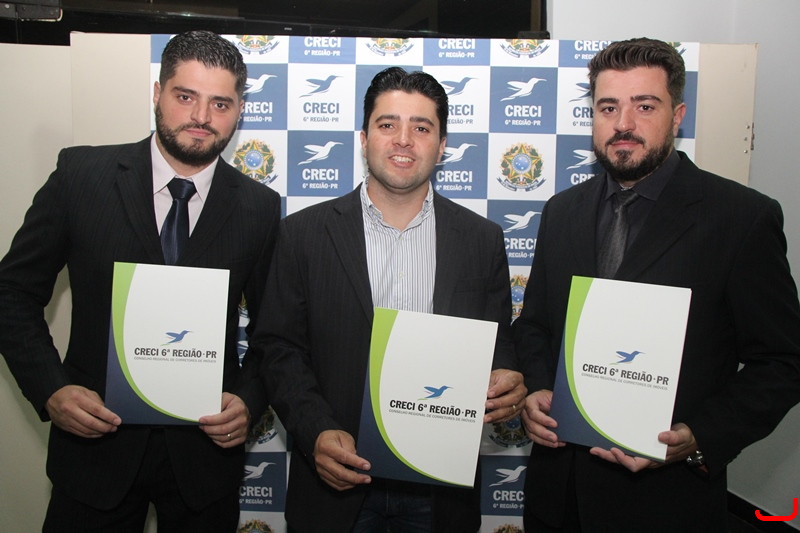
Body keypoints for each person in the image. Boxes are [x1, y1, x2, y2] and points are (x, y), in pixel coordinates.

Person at [514, 37, 800, 532]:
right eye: (608, 107)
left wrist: (700, 436)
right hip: (557, 497)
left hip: (667, 505)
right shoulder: (562, 211)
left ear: (677, 116)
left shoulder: (741, 218)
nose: (623, 123)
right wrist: (536, 389)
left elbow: (783, 361)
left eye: (644, 106)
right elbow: (536, 325)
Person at [0, 30, 280, 532]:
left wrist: (248, 399)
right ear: (157, 93)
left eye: (220, 103)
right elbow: (11, 292)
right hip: (93, 451)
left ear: (239, 110)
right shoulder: (80, 176)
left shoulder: (259, 208)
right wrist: (51, 389)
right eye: (185, 96)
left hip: (204, 461)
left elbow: (273, 331)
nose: (201, 116)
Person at [249, 66, 526, 533]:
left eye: (421, 128)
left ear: (442, 146)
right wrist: (316, 431)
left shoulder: (482, 239)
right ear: (364, 139)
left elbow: (498, 343)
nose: (403, 140)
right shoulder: (302, 234)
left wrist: (508, 376)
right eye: (387, 124)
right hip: (335, 484)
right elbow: (278, 348)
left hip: (441, 492)